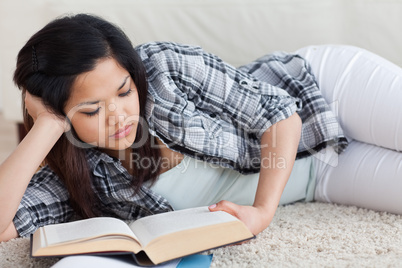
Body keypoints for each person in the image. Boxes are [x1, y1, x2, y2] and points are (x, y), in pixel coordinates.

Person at [0, 13, 399, 243]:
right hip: (319, 176)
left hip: (324, 92)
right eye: (91, 111)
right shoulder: (78, 174)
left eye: (124, 91)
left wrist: (262, 212)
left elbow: (278, 112)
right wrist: (46, 126)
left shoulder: (164, 69)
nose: (119, 116)